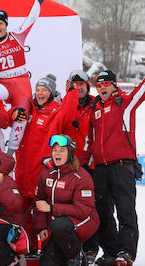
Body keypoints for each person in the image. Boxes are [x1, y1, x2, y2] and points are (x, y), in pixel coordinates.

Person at [0, 0, 50, 155]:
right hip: (3, 84)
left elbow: (31, 18)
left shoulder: (17, 36)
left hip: (22, 86)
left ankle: (10, 154)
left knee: (21, 117)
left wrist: (39, 0)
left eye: (1, 23)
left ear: (6, 24)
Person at [85, 70, 145, 265]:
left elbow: (141, 90)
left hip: (122, 165)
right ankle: (111, 251)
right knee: (102, 211)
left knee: (125, 210)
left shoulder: (125, 103)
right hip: (100, 167)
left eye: (106, 84)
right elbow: (89, 140)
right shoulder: (94, 110)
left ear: (114, 85)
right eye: (99, 84)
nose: (102, 87)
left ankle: (127, 252)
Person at [33, 134, 99, 265]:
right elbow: (39, 201)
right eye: (54, 150)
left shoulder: (81, 177)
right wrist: (41, 228)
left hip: (84, 221)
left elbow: (83, 210)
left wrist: (52, 208)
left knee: (60, 225)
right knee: (47, 262)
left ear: (69, 153)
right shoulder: (46, 173)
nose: (57, 153)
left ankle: (77, 257)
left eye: (62, 150)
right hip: (56, 226)